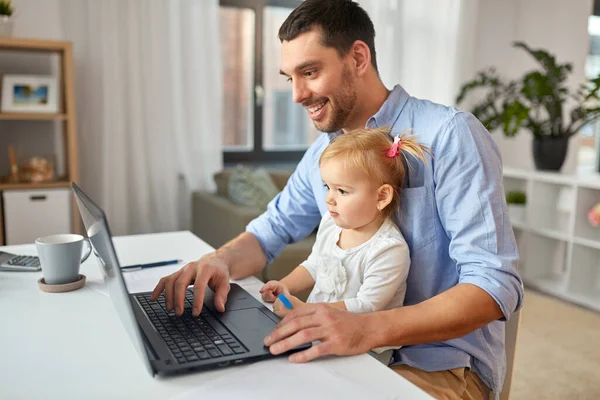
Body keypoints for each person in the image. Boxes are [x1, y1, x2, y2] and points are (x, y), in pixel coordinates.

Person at [151, 0, 523, 398]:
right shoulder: (324, 153)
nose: (296, 94)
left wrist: (366, 328)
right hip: (346, 352)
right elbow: (270, 231)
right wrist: (217, 261)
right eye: (289, 77)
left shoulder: (450, 135)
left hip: (438, 366)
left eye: (309, 72)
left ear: (358, 58)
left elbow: (494, 284)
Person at [260, 129, 427, 330]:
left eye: (342, 191)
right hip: (317, 329)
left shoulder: (388, 249)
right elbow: (315, 265)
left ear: (381, 197)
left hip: (366, 346)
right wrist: (286, 285)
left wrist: (306, 311)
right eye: (327, 187)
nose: (329, 199)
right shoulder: (330, 224)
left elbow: (367, 306)